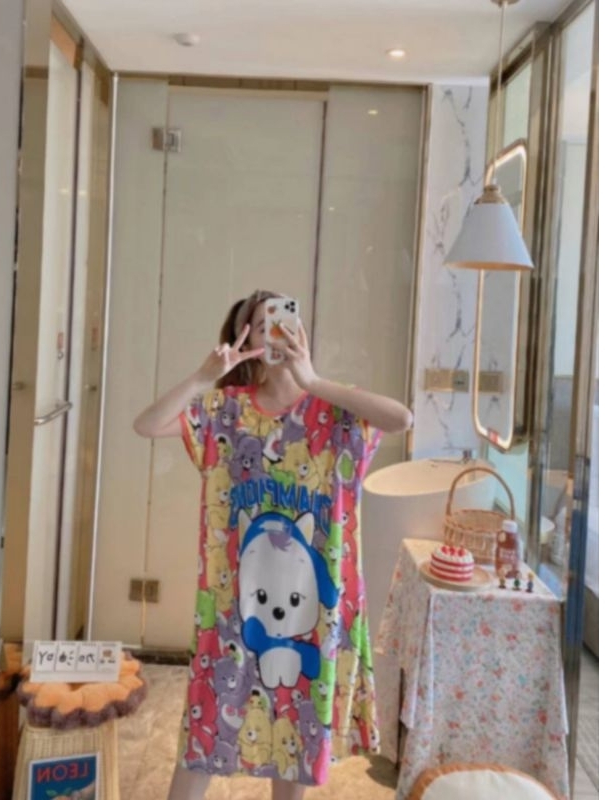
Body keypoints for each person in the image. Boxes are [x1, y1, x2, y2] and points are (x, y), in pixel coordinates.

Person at [133, 289, 413, 800]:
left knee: (296, 743)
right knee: (204, 736)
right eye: (263, 326)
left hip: (312, 616)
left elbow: (402, 419)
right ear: (245, 342)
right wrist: (203, 376)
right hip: (231, 614)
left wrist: (314, 381)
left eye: (285, 320)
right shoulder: (224, 411)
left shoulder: (335, 409)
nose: (278, 332)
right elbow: (145, 425)